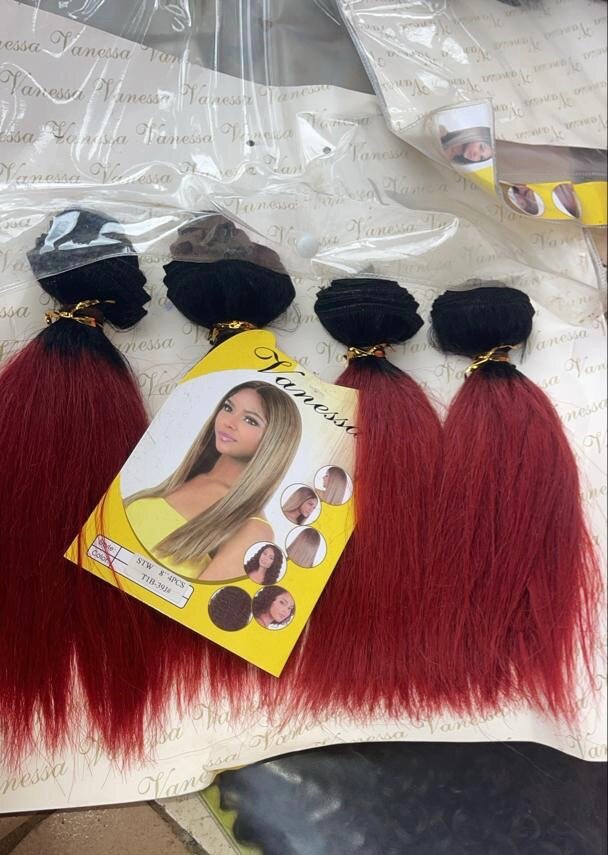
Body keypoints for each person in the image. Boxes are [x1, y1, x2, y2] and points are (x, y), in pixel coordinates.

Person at [125, 381, 301, 582]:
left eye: (250, 420)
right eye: (228, 408)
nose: (228, 422)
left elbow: (195, 601)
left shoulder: (254, 529)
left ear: (275, 441)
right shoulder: (187, 478)